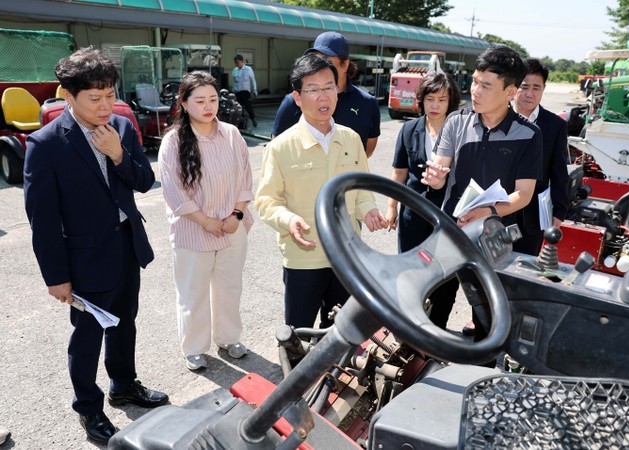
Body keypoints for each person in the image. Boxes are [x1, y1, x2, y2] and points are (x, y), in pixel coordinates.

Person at [23, 47, 168, 444]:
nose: (106, 106)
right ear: (68, 96)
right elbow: (42, 221)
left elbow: (144, 181)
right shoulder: (45, 144)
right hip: (83, 258)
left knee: (125, 323)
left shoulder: (121, 127)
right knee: (87, 338)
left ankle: (124, 385)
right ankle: (88, 408)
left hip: (126, 246)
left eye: (110, 95)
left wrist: (118, 155)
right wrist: (56, 277)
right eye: (94, 98)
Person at [255, 53, 388, 329]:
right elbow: (266, 201)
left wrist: (369, 210)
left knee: (341, 332)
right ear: (297, 97)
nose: (323, 96)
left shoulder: (351, 139)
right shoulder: (280, 147)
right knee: (299, 334)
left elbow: (361, 187)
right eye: (313, 89)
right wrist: (288, 220)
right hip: (304, 257)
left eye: (329, 87)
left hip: (346, 255)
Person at [422, 45, 543, 343]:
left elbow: (524, 194)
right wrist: (435, 179)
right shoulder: (456, 122)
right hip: (450, 232)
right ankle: (424, 359)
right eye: (475, 81)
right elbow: (439, 171)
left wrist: (487, 213)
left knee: (487, 316)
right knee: (434, 307)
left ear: (510, 91)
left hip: (493, 237)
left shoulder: (529, 134)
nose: (475, 91)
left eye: (486, 85)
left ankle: (482, 366)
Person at [159, 71, 253, 371]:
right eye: (199, 101)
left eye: (212, 99)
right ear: (184, 104)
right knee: (193, 292)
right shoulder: (173, 141)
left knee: (229, 288)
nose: (208, 106)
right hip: (193, 230)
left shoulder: (231, 134)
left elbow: (245, 178)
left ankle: (229, 338)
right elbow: (174, 190)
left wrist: (236, 214)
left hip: (232, 228)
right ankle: (194, 347)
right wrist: (206, 222)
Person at [385, 72, 462, 329]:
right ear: (421, 100)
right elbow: (399, 172)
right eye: (430, 99)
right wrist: (391, 206)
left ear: (451, 101)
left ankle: (437, 329)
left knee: (446, 276)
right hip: (413, 213)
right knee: (410, 272)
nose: (435, 105)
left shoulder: (460, 130)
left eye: (442, 99)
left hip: (449, 216)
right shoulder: (409, 129)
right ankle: (410, 327)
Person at [272, 31, 381, 157]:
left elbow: (367, 150)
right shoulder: (294, 100)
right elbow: (277, 147)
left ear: (345, 65)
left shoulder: (367, 103)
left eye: (327, 61)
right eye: (316, 59)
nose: (321, 66)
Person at [512, 58, 570, 255]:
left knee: (523, 267)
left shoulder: (554, 125)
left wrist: (560, 211)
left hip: (532, 217)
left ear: (543, 89)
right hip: (496, 213)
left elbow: (559, 170)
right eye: (524, 86)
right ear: (513, 87)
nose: (529, 93)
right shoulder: (498, 117)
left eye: (536, 88)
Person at [232, 54, 258, 127]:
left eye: (237, 62)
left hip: (245, 91)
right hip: (237, 91)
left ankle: (253, 118)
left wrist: (255, 90)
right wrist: (233, 90)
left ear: (241, 61)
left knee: (247, 105)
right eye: (235, 63)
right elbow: (234, 82)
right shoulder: (235, 70)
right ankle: (240, 121)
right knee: (238, 107)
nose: (236, 64)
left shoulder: (248, 69)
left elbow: (253, 80)